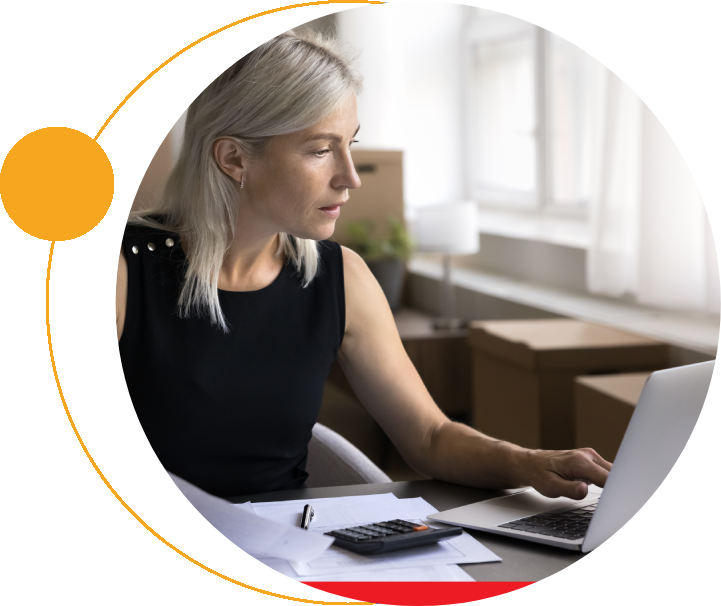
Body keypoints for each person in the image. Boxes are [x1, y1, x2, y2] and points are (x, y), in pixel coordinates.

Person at [116, 29, 611, 500]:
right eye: (320, 150)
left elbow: (431, 437)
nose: (350, 177)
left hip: (293, 560)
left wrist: (529, 462)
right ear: (233, 159)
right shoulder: (118, 272)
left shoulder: (341, 277)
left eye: (349, 145)